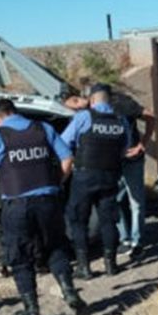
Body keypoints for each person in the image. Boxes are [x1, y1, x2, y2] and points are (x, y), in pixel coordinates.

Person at [0, 98, 86, 315]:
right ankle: (69, 291)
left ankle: (32, 312)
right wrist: (57, 183)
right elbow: (68, 158)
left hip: (17, 205)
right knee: (55, 247)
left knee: (20, 257)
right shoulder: (43, 128)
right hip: (49, 201)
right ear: (15, 111)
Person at [65, 82, 155, 259]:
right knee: (116, 200)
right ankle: (125, 239)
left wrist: (142, 144)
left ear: (92, 98)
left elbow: (150, 116)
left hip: (131, 160)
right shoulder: (89, 110)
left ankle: (137, 242)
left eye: (77, 101)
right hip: (112, 163)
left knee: (135, 201)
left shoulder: (122, 103)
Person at [61, 83, 132, 279]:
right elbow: (124, 148)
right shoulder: (121, 120)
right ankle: (111, 265)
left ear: (92, 100)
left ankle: (84, 268)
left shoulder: (84, 117)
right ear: (110, 100)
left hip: (84, 176)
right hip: (110, 176)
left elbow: (63, 142)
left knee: (78, 220)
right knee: (108, 221)